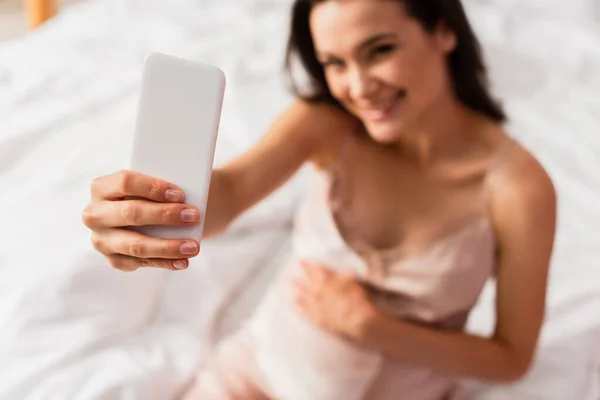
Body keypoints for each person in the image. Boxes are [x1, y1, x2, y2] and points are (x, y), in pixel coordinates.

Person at [82, 0, 557, 398]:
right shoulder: (329, 125)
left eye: (380, 50)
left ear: (444, 32)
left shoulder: (518, 188)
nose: (358, 87)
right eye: (334, 63)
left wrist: (372, 327)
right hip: (254, 382)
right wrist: (149, 215)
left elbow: (511, 358)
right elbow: (230, 193)